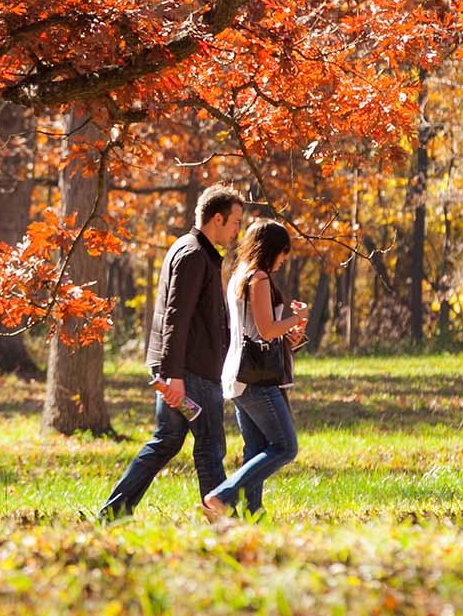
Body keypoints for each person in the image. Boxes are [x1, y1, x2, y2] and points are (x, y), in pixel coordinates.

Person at [97, 185, 246, 519]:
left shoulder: (191, 249)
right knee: (209, 446)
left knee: (167, 440)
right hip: (189, 372)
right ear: (217, 218)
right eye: (235, 221)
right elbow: (175, 319)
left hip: (184, 369)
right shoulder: (193, 254)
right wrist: (173, 375)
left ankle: (114, 512)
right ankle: (222, 520)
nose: (238, 229)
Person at [203, 219, 308, 520]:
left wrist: (292, 333)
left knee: (257, 447)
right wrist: (298, 318)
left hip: (239, 374)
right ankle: (222, 496)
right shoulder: (257, 278)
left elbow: (258, 329)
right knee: (285, 447)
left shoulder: (239, 275)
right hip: (255, 377)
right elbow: (266, 329)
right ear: (271, 249)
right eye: (282, 254)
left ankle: (254, 513)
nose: (283, 261)